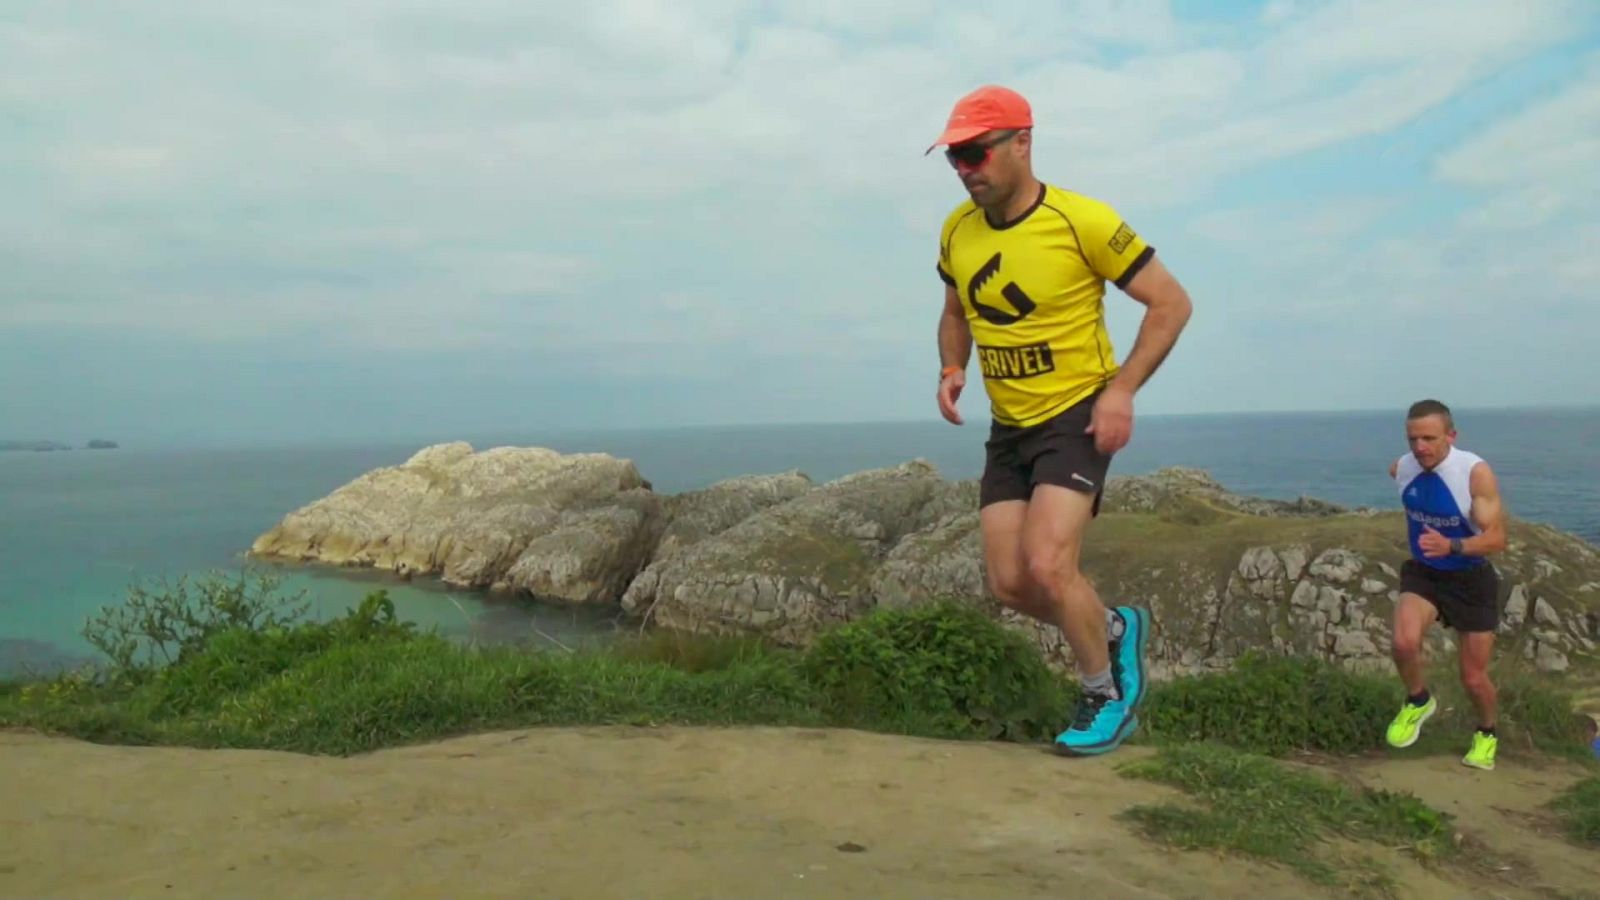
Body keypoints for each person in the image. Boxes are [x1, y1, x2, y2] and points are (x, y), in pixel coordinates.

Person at [927, 85, 1193, 755]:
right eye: (954, 157)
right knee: (1009, 583)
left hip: (1076, 413)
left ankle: (1105, 694)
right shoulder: (958, 230)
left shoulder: (1083, 221)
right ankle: (1113, 628)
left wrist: (1122, 390)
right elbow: (957, 312)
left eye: (975, 153)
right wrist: (951, 367)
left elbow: (1170, 304)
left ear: (1022, 143)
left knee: (1047, 566)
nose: (965, 168)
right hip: (1008, 426)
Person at [1384, 399, 1509, 770]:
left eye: (1429, 438)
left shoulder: (1473, 473)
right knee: (1403, 642)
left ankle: (1487, 733)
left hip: (1470, 579)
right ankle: (1419, 701)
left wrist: (1452, 544)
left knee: (1472, 678)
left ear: (1451, 436)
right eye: (1413, 439)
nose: (1420, 447)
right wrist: (1434, 550)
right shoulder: (1403, 467)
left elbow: (1497, 540)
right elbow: (1398, 470)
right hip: (1425, 573)